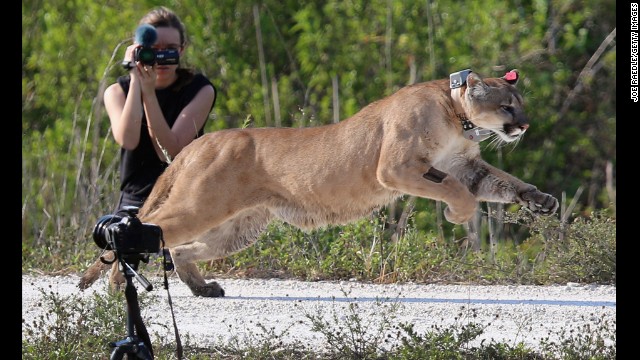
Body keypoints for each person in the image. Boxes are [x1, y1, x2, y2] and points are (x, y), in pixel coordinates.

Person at [103, 6, 216, 213]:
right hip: (134, 199)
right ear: (137, 50)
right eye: (153, 49)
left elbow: (169, 153)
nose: (161, 56)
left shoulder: (200, 90)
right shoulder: (117, 92)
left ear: (182, 49)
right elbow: (128, 139)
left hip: (182, 195)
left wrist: (149, 94)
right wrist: (136, 80)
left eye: (170, 48)